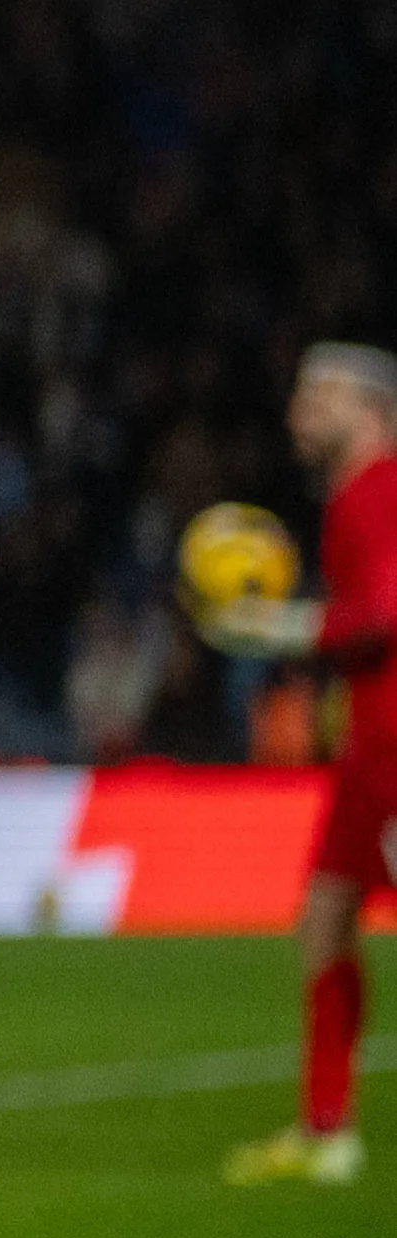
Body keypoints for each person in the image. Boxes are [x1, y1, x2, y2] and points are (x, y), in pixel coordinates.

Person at [221, 339, 397, 1186]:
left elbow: (383, 614)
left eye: (316, 396)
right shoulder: (348, 497)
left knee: (329, 919)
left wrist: (283, 627)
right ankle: (327, 1131)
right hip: (368, 751)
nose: (298, 410)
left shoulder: (379, 490)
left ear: (369, 410)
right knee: (323, 918)